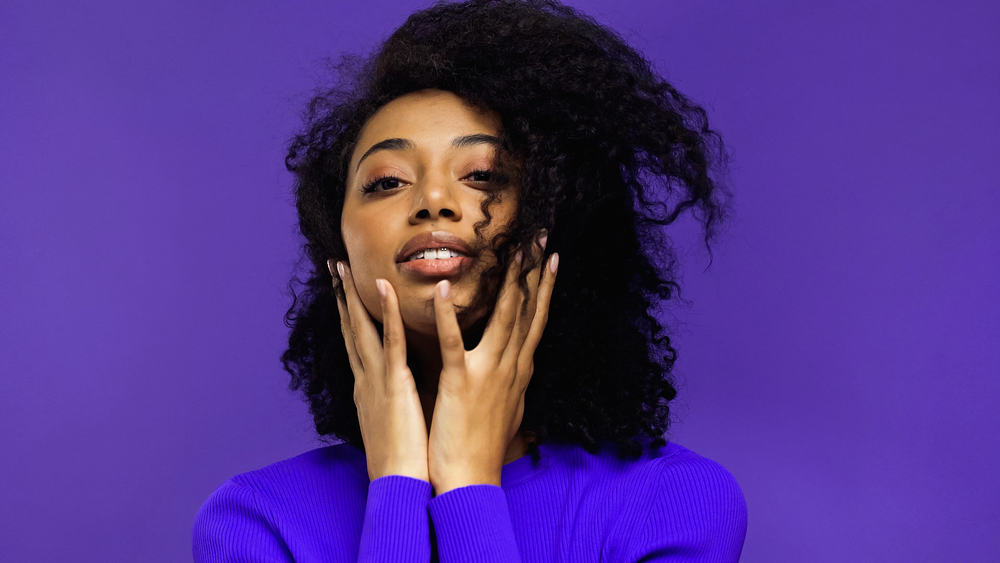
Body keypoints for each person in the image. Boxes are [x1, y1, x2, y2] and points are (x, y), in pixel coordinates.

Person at [193, 0, 747, 560]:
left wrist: (466, 482)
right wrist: (396, 485)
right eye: (386, 181)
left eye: (483, 175)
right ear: (338, 246)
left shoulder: (673, 501)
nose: (433, 200)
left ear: (557, 223)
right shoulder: (256, 519)